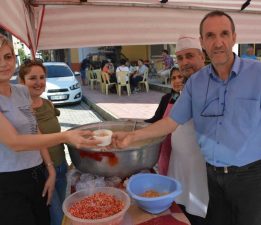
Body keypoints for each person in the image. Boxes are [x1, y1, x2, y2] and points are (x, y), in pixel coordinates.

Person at [112, 10, 261, 225]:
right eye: (210, 36)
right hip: (213, 177)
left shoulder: (256, 74)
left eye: (224, 34)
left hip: (251, 177)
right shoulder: (195, 83)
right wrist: (131, 137)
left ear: (234, 38)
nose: (218, 42)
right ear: (203, 42)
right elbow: (170, 122)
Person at [0, 34, 99, 225]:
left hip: (37, 173)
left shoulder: (21, 92)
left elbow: (34, 129)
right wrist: (66, 136)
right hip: (7, 182)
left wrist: (50, 169)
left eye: (7, 56)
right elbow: (15, 142)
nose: (3, 64)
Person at [19, 60, 67, 225]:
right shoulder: (21, 111)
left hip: (61, 166)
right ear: (22, 81)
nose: (39, 82)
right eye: (33, 78)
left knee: (66, 212)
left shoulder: (48, 104)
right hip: (43, 171)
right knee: (57, 217)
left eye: (42, 77)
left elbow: (56, 134)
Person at [168, 36, 208, 225]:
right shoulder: (187, 87)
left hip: (199, 170)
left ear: (202, 57)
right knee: (181, 213)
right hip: (179, 164)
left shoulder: (212, 84)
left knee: (198, 214)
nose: (184, 63)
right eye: (180, 58)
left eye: (189, 56)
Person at [145, 67, 183, 173]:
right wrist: (139, 123)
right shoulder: (166, 98)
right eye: (173, 78)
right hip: (166, 143)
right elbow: (156, 119)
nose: (176, 81)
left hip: (182, 147)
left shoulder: (191, 99)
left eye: (180, 77)